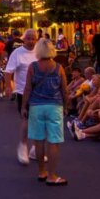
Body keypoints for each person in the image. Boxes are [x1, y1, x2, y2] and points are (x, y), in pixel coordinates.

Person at [21, 38, 69, 185]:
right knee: (53, 141)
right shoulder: (58, 67)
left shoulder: (33, 67)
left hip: (36, 106)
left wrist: (24, 106)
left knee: (39, 140)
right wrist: (66, 106)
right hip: (54, 106)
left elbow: (27, 88)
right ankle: (52, 175)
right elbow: (64, 89)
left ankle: (42, 171)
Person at [4, 29, 38, 165]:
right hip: (23, 91)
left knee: (38, 120)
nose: (31, 41)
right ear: (23, 39)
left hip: (40, 91)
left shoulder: (40, 51)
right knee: (26, 119)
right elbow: (8, 71)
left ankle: (36, 148)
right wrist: (8, 86)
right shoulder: (17, 53)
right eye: (28, 38)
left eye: (33, 38)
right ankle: (23, 146)